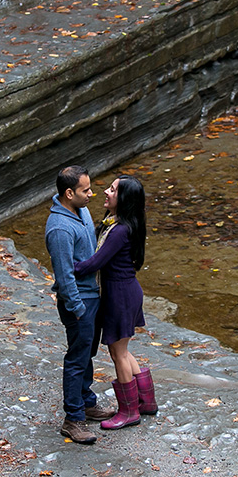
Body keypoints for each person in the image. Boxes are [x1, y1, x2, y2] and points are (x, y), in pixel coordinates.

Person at [73, 175, 157, 430]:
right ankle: (146, 400)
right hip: (125, 292)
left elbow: (97, 262)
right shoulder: (120, 224)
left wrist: (69, 268)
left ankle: (128, 411)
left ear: (124, 200)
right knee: (123, 349)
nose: (106, 193)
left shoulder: (120, 231)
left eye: (112, 190)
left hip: (120, 295)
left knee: (117, 352)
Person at [45, 166, 116, 445]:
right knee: (77, 358)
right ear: (69, 193)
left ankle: (86, 402)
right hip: (79, 301)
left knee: (87, 354)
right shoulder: (60, 228)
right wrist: (78, 308)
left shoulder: (82, 211)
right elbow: (64, 275)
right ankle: (72, 419)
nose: (92, 194)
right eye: (86, 190)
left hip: (92, 296)